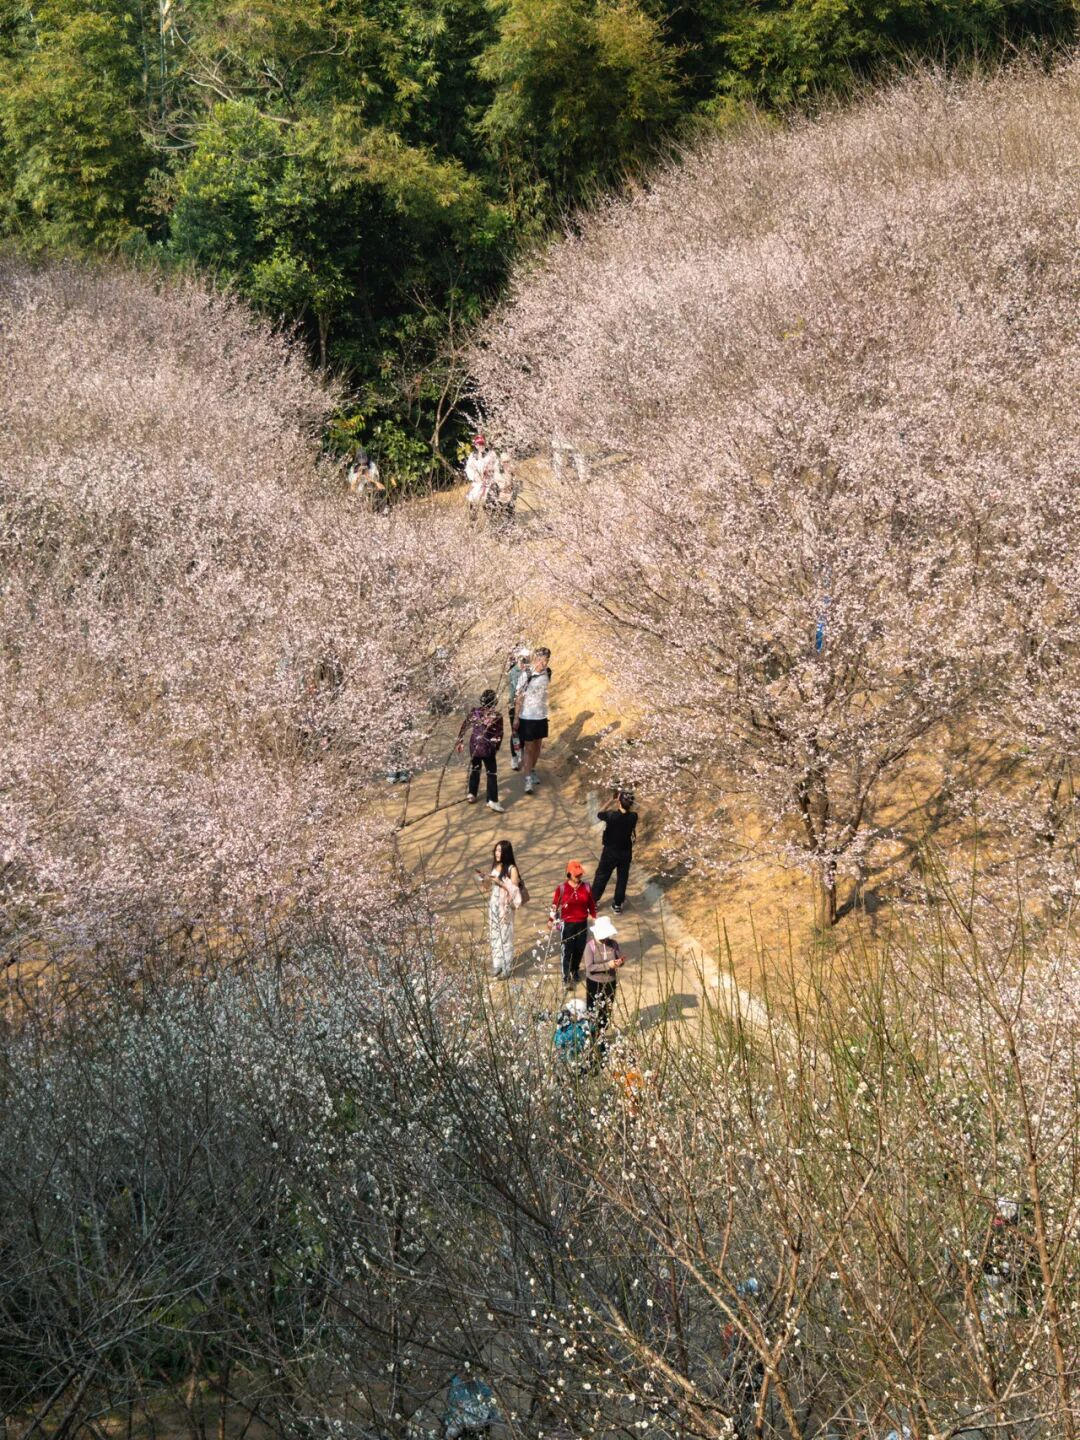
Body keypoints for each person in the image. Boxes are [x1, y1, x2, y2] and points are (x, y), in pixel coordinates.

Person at [456, 689, 505, 812]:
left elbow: (464, 725)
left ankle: (472, 793)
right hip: (488, 748)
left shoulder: (475, 712)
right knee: (491, 773)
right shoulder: (497, 716)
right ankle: (492, 800)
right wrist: (496, 747)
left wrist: (460, 741)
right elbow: (499, 734)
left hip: (474, 746)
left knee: (475, 768)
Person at [549, 859, 596, 988]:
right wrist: (551, 920)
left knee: (579, 949)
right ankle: (566, 977)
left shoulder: (586, 887)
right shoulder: (561, 888)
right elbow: (555, 905)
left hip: (582, 923)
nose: (579, 877)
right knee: (567, 950)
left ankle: (574, 970)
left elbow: (591, 903)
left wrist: (594, 916)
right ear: (569, 874)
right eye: (576, 875)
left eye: (580, 874)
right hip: (567, 925)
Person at [479, 839, 522, 980]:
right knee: (494, 935)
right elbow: (487, 888)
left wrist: (500, 882)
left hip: (506, 907)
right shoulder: (495, 866)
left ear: (506, 853)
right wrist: (484, 880)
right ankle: (497, 964)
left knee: (505, 937)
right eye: (496, 850)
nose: (497, 853)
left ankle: (507, 967)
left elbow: (515, 891)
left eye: (500, 851)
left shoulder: (512, 869)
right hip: (493, 905)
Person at [591, 788, 637, 914]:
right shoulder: (633, 817)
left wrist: (611, 800)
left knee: (602, 876)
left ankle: (593, 902)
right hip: (626, 852)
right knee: (622, 878)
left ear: (619, 802)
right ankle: (617, 904)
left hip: (610, 852)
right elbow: (628, 812)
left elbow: (599, 813)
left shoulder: (611, 816)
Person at [513, 646, 551, 795]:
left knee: (537, 746)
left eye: (546, 660)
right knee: (528, 747)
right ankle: (528, 778)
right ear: (536, 659)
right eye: (541, 660)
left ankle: (532, 769)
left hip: (541, 716)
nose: (544, 663)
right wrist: (516, 717)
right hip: (527, 716)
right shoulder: (526, 674)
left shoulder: (548, 673)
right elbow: (519, 697)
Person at [583, 915, 625, 1042]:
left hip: (610, 982)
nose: (604, 938)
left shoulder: (614, 944)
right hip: (594, 983)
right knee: (593, 1010)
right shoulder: (590, 947)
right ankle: (592, 1036)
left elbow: (619, 959)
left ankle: (602, 1034)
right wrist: (607, 965)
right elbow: (589, 967)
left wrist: (619, 962)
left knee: (607, 1010)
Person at [505, 646, 529, 771]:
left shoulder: (528, 670)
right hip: (514, 705)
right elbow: (518, 690)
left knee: (523, 732)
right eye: (523, 659)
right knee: (515, 732)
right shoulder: (514, 672)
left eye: (527, 660)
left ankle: (521, 753)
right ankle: (514, 757)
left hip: (526, 707)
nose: (525, 662)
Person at [465, 434, 497, 520]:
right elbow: (468, 468)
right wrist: (475, 476)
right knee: (473, 501)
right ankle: (473, 521)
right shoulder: (473, 456)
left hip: (489, 482)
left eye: (482, 444)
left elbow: (497, 465)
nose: (480, 446)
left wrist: (491, 469)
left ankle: (492, 519)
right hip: (478, 483)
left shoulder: (491, 453)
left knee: (489, 501)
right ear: (475, 445)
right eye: (478, 444)